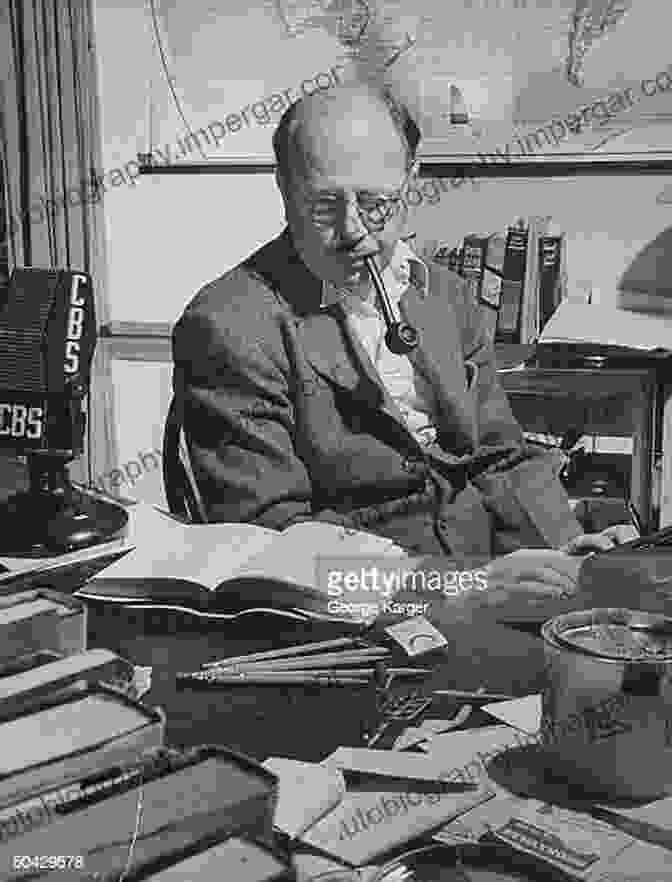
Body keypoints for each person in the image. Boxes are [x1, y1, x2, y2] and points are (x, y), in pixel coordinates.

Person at [172, 82, 635, 597]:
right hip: (358, 613)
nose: (354, 232)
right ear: (283, 187)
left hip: (481, 573)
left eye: (377, 204)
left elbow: (502, 459)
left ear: (412, 182)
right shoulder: (228, 326)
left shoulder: (447, 296)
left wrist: (565, 551)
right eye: (324, 206)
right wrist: (459, 584)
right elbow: (270, 546)